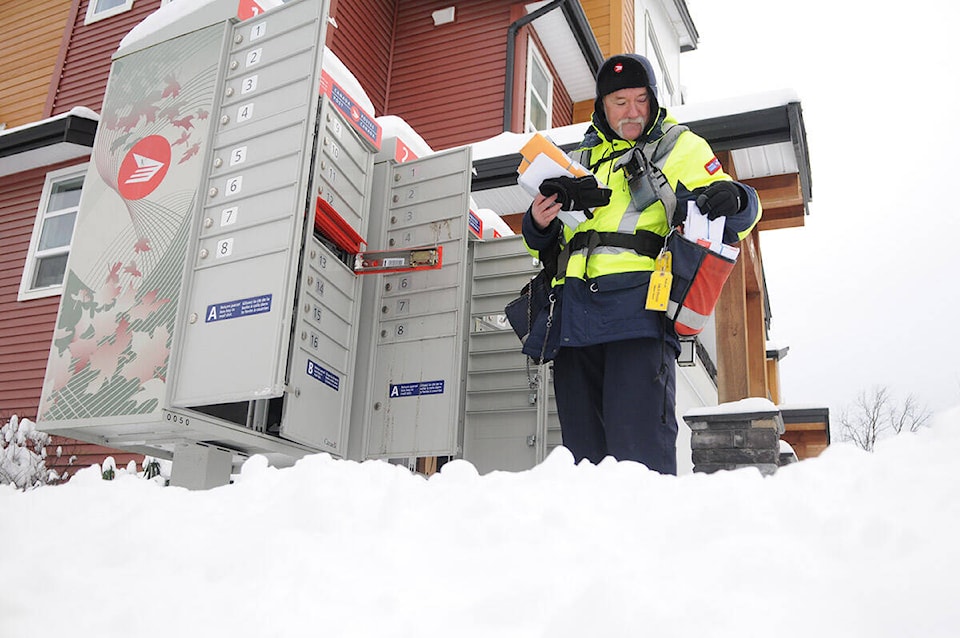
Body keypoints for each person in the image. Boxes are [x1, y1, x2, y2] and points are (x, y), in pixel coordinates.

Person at [520, 53, 762, 474]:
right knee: (583, 462)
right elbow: (550, 246)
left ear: (652, 100)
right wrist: (539, 223)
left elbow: (738, 213)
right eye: (619, 102)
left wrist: (739, 198)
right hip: (574, 322)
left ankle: (648, 539)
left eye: (640, 100)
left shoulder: (679, 146)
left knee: (639, 456)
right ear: (602, 105)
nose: (632, 111)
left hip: (638, 316)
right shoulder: (583, 157)